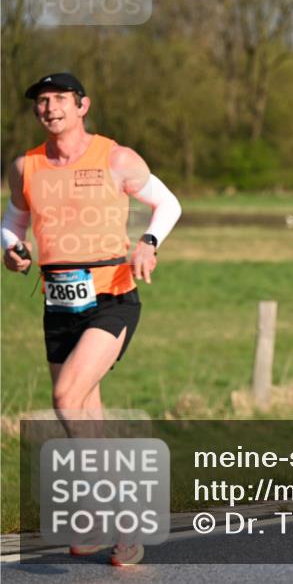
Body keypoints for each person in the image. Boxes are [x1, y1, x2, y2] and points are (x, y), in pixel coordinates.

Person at [1, 72, 182, 565]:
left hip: (112, 298)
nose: (50, 108)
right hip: (58, 303)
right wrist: (12, 250)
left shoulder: (116, 158)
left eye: (60, 99)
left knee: (65, 398)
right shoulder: (26, 166)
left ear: (82, 106)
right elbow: (13, 219)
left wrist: (147, 243)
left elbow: (168, 203)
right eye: (42, 101)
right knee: (86, 416)